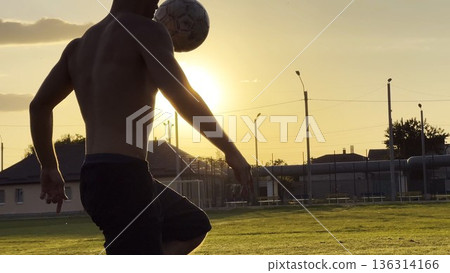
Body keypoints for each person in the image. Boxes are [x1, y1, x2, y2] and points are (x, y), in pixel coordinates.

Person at [29, 0, 252, 255]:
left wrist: (48, 165)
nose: (157, 5)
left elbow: (39, 106)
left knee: (191, 224)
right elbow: (182, 97)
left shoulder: (78, 47)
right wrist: (230, 150)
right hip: (125, 177)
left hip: (95, 176)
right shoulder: (145, 31)